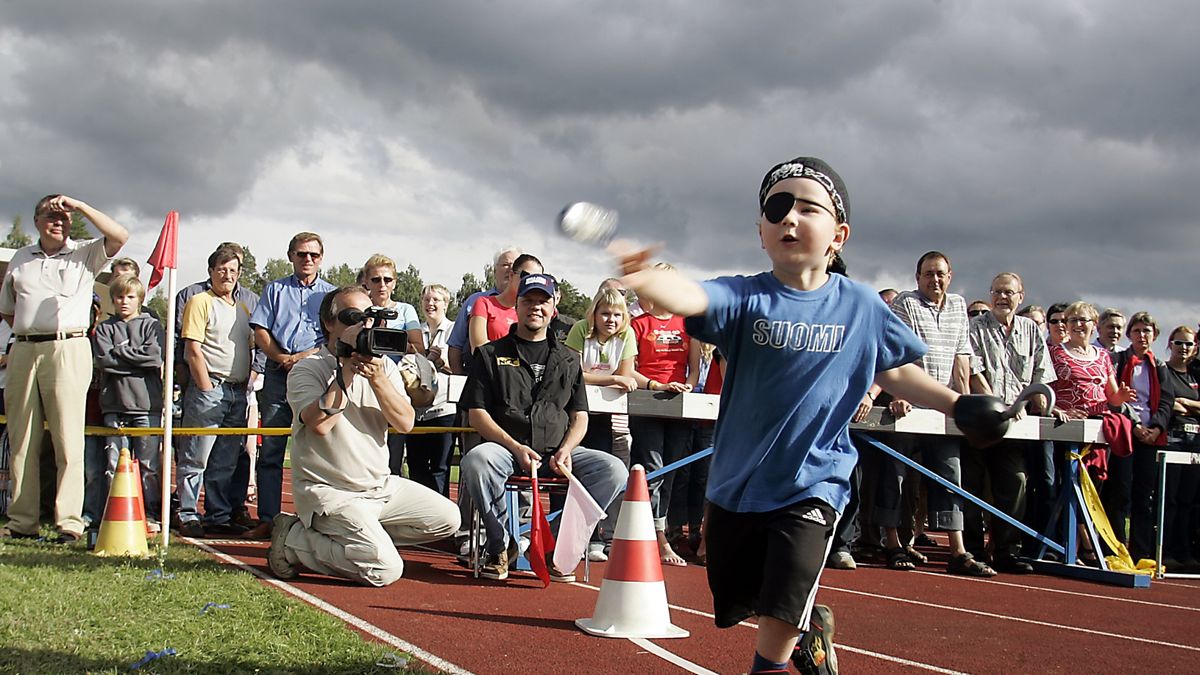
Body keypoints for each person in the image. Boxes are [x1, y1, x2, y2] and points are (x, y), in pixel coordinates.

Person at [615, 155, 1007, 675]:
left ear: (838, 234)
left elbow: (893, 371)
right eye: (776, 210)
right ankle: (811, 628)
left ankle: (776, 656)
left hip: (815, 483)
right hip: (736, 484)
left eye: (807, 208)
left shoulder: (863, 307)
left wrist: (958, 404)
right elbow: (688, 296)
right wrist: (645, 276)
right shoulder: (743, 295)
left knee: (781, 608)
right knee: (746, 599)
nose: (790, 219)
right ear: (760, 231)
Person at [267, 286, 460, 587]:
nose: (363, 324)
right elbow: (320, 425)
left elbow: (406, 422)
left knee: (449, 519)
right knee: (385, 570)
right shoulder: (307, 369)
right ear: (329, 324)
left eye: (368, 317)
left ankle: (360, 538)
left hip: (379, 487)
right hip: (330, 492)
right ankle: (293, 541)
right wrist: (346, 371)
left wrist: (379, 379)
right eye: (352, 317)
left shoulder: (383, 368)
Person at [458, 273, 628, 582]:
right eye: (528, 301)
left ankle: (556, 545)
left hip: (557, 453)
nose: (535, 307)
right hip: (507, 450)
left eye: (542, 301)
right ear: (518, 306)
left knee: (614, 470)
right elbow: (477, 414)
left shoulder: (568, 359)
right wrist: (515, 446)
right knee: (477, 461)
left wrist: (566, 449)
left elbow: (580, 416)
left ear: (554, 307)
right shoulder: (490, 354)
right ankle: (501, 545)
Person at [0, 195, 128, 543]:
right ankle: (22, 520)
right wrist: (30, 330)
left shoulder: (84, 252)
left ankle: (69, 520)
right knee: (22, 438)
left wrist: (80, 205)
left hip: (68, 346)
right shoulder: (21, 259)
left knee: (68, 437)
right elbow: (8, 309)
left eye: (64, 217)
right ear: (37, 221)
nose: (59, 222)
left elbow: (120, 236)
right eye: (51, 216)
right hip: (25, 348)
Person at [881, 251, 994, 577]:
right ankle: (892, 543)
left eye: (940, 274)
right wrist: (900, 395)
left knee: (949, 475)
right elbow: (896, 354)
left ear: (950, 275)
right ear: (918, 278)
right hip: (908, 405)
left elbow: (963, 359)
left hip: (943, 407)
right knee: (897, 474)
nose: (935, 279)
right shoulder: (905, 303)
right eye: (928, 274)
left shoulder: (959, 307)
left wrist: (966, 404)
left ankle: (957, 550)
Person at [246, 233, 337, 539]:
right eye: (301, 254)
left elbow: (335, 335)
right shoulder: (275, 290)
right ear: (291, 256)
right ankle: (269, 518)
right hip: (276, 373)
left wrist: (303, 357)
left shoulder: (331, 295)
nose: (307, 259)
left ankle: (318, 520)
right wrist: (282, 357)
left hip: (316, 372)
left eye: (313, 254)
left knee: (318, 446)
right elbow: (260, 330)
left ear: (321, 258)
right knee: (271, 448)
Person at [964, 272, 1055, 573]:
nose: (1002, 297)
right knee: (971, 483)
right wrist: (995, 406)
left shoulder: (1031, 330)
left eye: (1009, 292)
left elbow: (1041, 373)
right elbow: (973, 371)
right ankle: (973, 549)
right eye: (997, 292)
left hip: (1016, 425)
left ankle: (1007, 550)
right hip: (979, 421)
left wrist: (1035, 403)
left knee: (1015, 481)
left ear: (1021, 296)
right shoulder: (974, 327)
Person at [177, 248, 255, 537]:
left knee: (225, 459)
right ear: (211, 271)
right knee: (196, 456)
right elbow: (192, 349)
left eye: (233, 270)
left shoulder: (244, 309)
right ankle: (187, 512)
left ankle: (218, 514)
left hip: (237, 392)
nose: (228, 275)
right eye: (222, 269)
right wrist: (206, 386)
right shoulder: (199, 302)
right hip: (210, 388)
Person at [630, 261, 698, 567]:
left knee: (671, 472)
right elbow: (629, 367)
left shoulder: (688, 324)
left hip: (679, 403)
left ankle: (658, 531)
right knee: (651, 469)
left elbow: (695, 369)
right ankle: (655, 539)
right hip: (648, 400)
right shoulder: (638, 324)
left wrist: (686, 385)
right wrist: (656, 384)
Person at [565, 285, 639, 560]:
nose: (611, 320)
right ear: (594, 314)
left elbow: (627, 375)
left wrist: (615, 379)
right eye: (605, 313)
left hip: (604, 415)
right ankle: (561, 530)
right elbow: (572, 373)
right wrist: (611, 379)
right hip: (573, 411)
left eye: (618, 315)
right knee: (568, 470)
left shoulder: (627, 336)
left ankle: (595, 535)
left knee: (602, 472)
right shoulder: (580, 330)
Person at [92, 274, 165, 531]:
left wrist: (120, 352)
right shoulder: (104, 328)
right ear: (112, 299)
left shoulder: (152, 325)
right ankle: (114, 514)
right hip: (114, 405)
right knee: (114, 464)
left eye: (130, 297)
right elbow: (103, 361)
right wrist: (135, 359)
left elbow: (154, 358)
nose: (124, 301)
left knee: (149, 466)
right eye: (119, 296)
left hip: (147, 406)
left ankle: (150, 513)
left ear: (140, 300)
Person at [1110, 312, 1173, 561]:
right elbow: (1114, 396)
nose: (1142, 335)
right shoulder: (1118, 360)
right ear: (1129, 335)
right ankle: (1116, 549)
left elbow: (1167, 401)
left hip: (1150, 436)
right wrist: (1134, 425)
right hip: (1125, 433)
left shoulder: (1159, 366)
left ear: (1154, 336)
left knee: (1143, 496)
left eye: (1147, 331)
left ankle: (1140, 550)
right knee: (1120, 493)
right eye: (1137, 331)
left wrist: (1156, 428)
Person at [360, 254, 424, 477]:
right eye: (376, 279)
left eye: (387, 279)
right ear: (366, 282)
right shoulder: (359, 308)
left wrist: (384, 340)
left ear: (395, 283)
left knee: (393, 457)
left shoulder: (406, 310)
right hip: (360, 384)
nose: (382, 285)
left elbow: (418, 347)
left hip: (394, 387)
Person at [406, 284, 457, 496]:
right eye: (426, 300)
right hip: (416, 410)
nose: (430, 304)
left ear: (446, 304)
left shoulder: (455, 331)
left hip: (445, 409)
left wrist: (441, 362)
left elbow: (462, 368)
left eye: (436, 299)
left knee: (440, 469)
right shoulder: (416, 332)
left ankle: (443, 524)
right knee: (416, 468)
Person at [1160, 326, 1200, 569]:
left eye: (1189, 344)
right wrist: (1187, 404)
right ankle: (1164, 551)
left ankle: (1184, 551)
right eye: (1178, 343)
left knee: (1189, 500)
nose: (1183, 348)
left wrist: (1185, 402)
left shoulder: (1197, 373)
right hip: (1173, 438)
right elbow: (1166, 403)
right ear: (1170, 344)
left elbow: (1181, 404)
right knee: (1170, 499)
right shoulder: (1163, 371)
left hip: (1196, 441)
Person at [446, 246, 521, 375]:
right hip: (477, 375)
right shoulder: (476, 301)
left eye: (514, 266)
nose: (510, 270)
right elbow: (455, 345)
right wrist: (459, 379)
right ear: (494, 270)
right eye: (505, 265)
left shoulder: (527, 305)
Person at [468, 253, 543, 352]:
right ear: (511, 275)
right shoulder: (484, 304)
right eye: (525, 276)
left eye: (537, 279)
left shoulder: (534, 312)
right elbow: (479, 348)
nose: (529, 282)